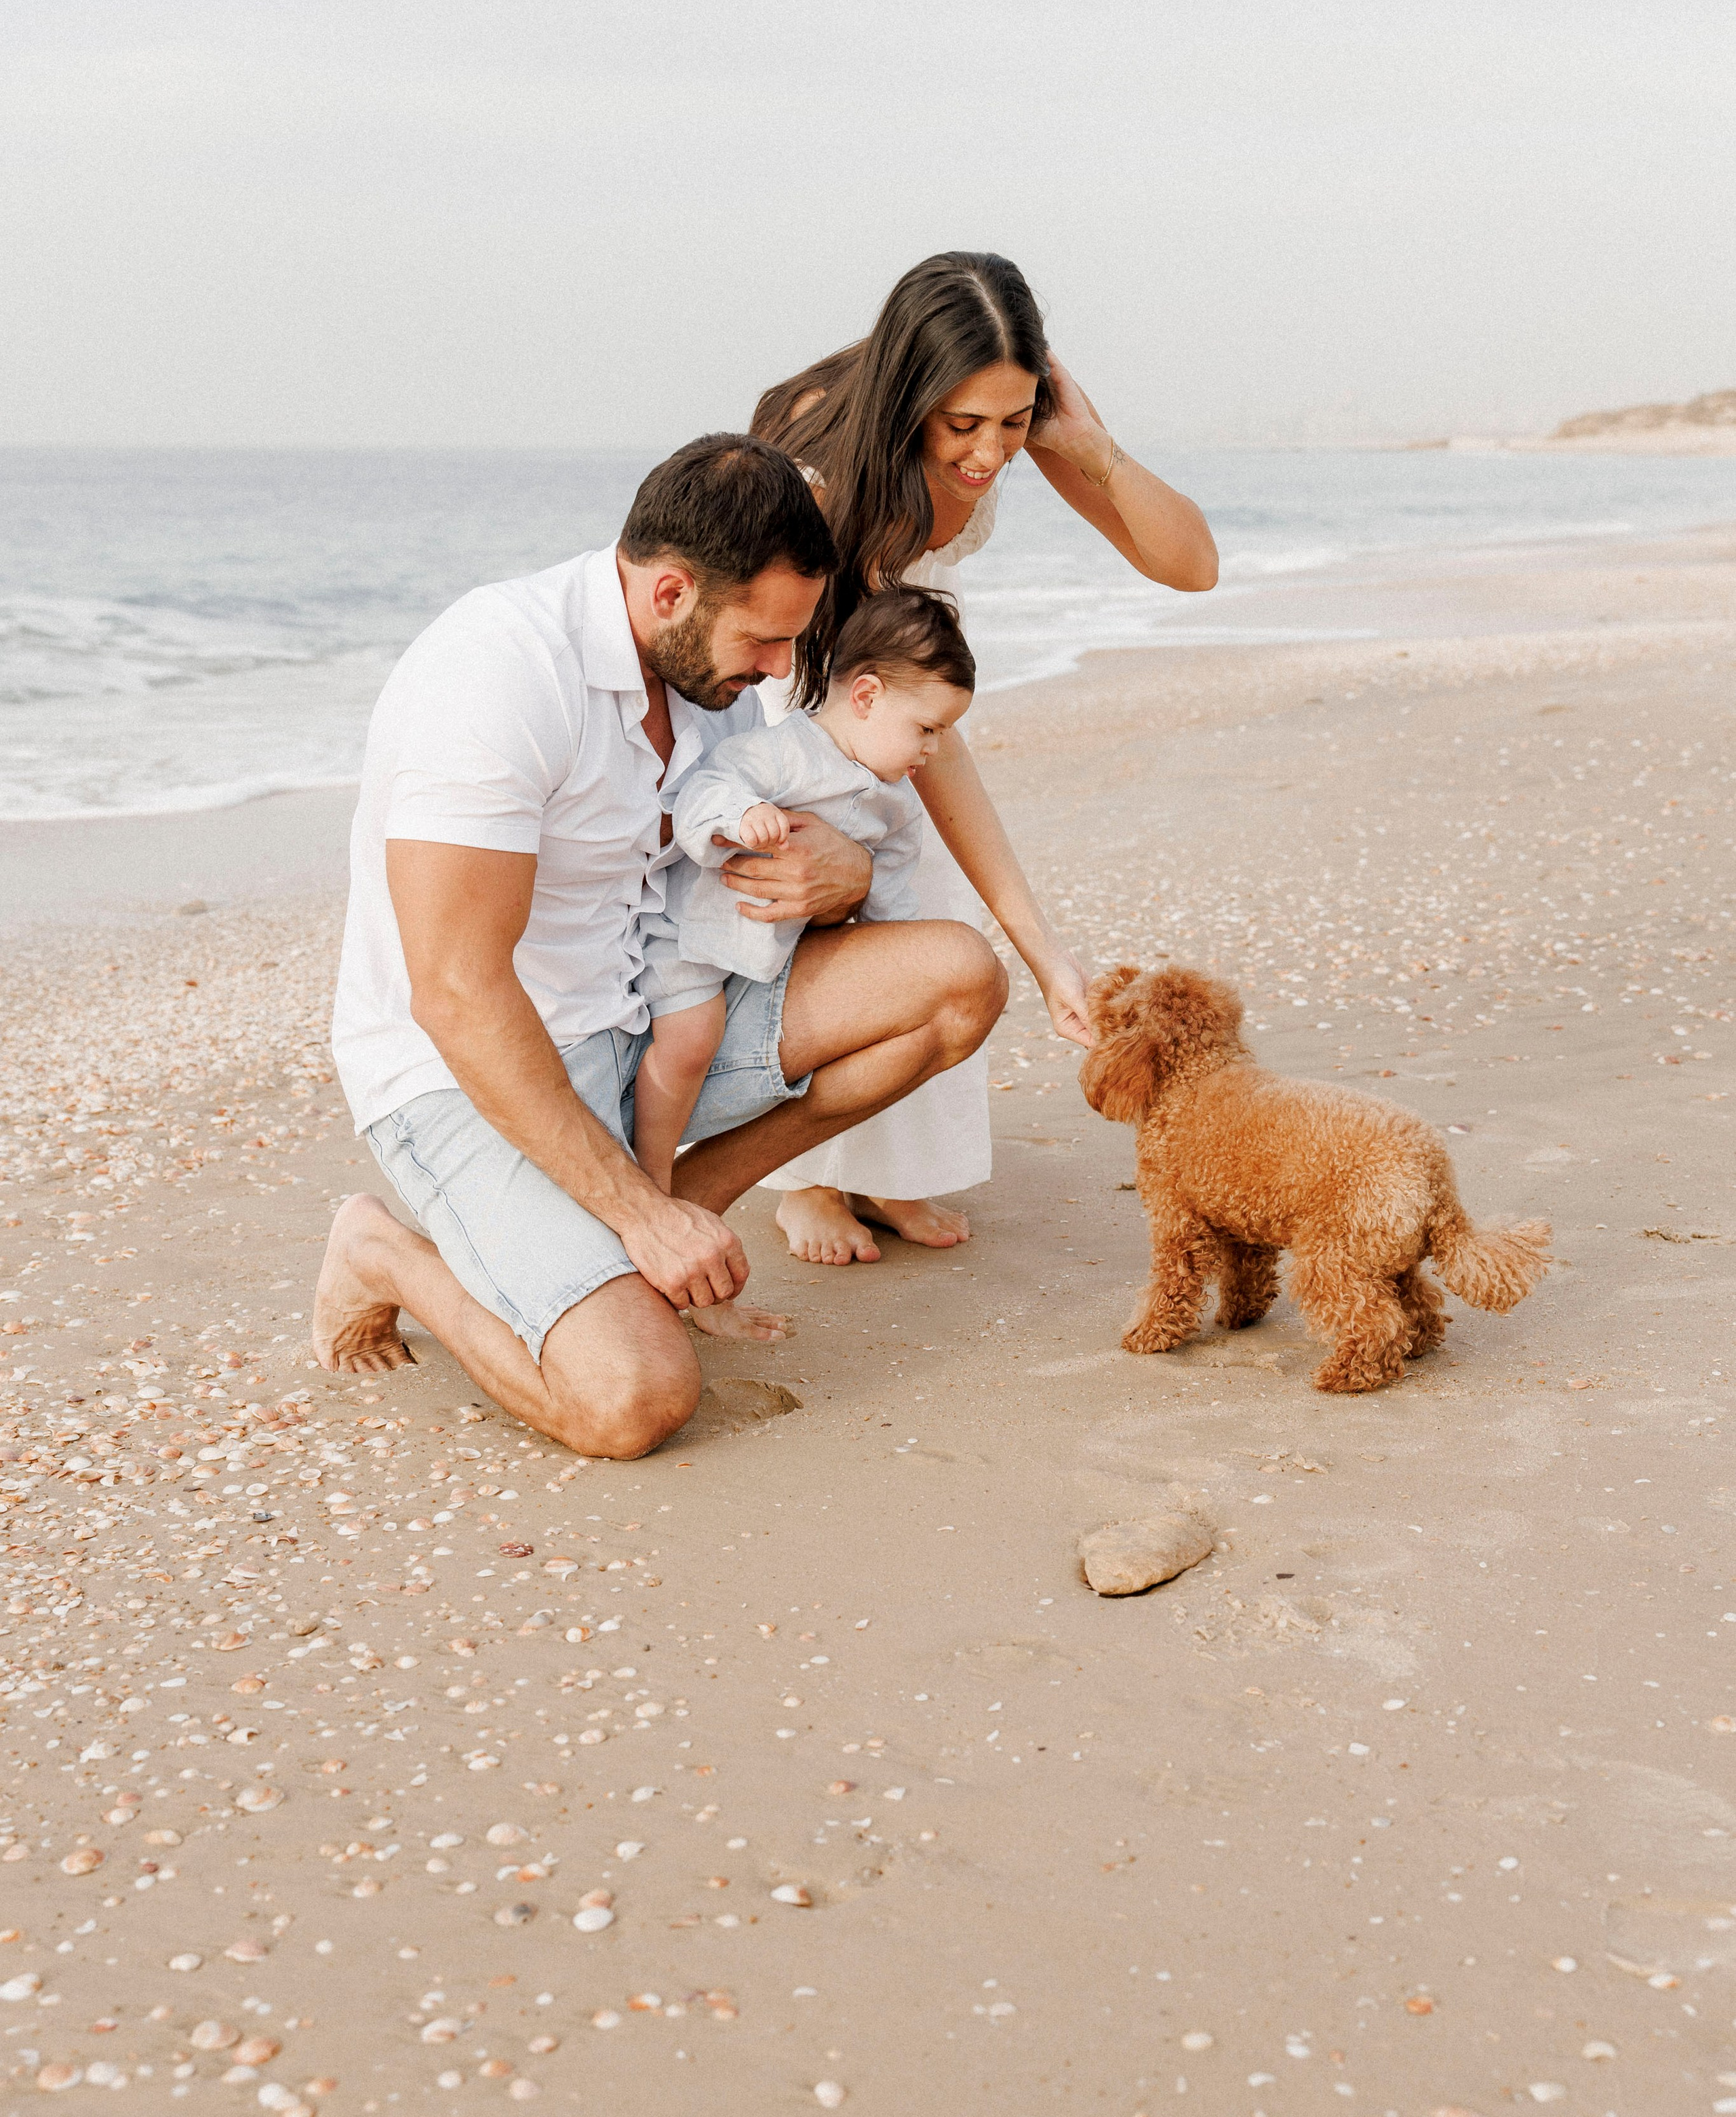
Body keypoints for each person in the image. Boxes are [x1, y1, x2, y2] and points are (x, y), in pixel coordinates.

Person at [315, 435, 1007, 1460]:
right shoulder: (497, 672)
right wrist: (633, 1215)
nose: (781, 671)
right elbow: (456, 994)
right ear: (673, 590)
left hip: (652, 1024)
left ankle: (677, 1218)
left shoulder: (711, 693)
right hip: (471, 1075)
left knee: (958, 981)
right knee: (629, 1401)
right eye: (766, 642)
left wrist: (845, 877)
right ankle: (387, 1255)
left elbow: (734, 879)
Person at [742, 250, 1219, 1267]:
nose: (990, 455)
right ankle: (807, 1180)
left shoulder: (1007, 427)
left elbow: (1193, 566)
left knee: (936, 894)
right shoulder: (822, 474)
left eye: (1013, 422)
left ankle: (883, 1173)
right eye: (964, 426)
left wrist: (1088, 447)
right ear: (911, 394)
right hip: (801, 674)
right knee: (854, 896)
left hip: (905, 665)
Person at [632, 586, 975, 1191]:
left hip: (769, 960)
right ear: (866, 695)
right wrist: (739, 818)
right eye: (926, 728)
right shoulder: (785, 753)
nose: (933, 748)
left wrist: (890, 962)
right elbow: (701, 792)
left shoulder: (895, 807)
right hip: (692, 940)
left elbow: (891, 906)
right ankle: (653, 1178)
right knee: (688, 1044)